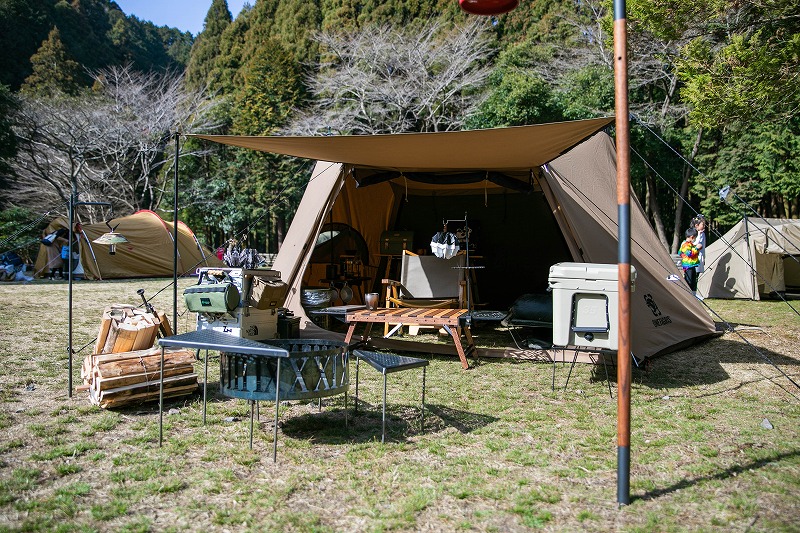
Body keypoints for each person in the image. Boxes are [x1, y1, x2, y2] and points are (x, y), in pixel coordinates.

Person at [679, 227, 701, 296]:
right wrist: (697, 248)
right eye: (695, 238)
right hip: (688, 266)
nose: (695, 239)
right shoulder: (685, 245)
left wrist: (696, 248)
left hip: (692, 265)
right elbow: (689, 254)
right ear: (692, 237)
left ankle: (693, 295)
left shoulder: (690, 244)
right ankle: (687, 295)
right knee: (689, 281)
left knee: (693, 282)